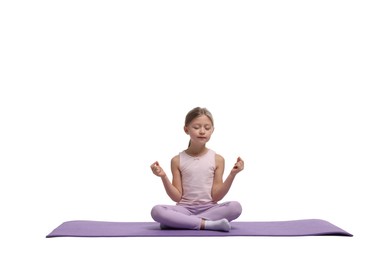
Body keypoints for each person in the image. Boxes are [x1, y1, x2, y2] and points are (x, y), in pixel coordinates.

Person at [150, 106, 244, 232]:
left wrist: (233, 174)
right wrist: (163, 176)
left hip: (210, 209)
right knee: (156, 211)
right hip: (184, 209)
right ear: (186, 129)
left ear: (212, 130)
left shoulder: (218, 159)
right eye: (196, 127)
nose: (202, 131)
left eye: (207, 128)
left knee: (235, 207)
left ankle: (181, 222)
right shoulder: (177, 160)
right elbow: (177, 197)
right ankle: (208, 224)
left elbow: (216, 197)